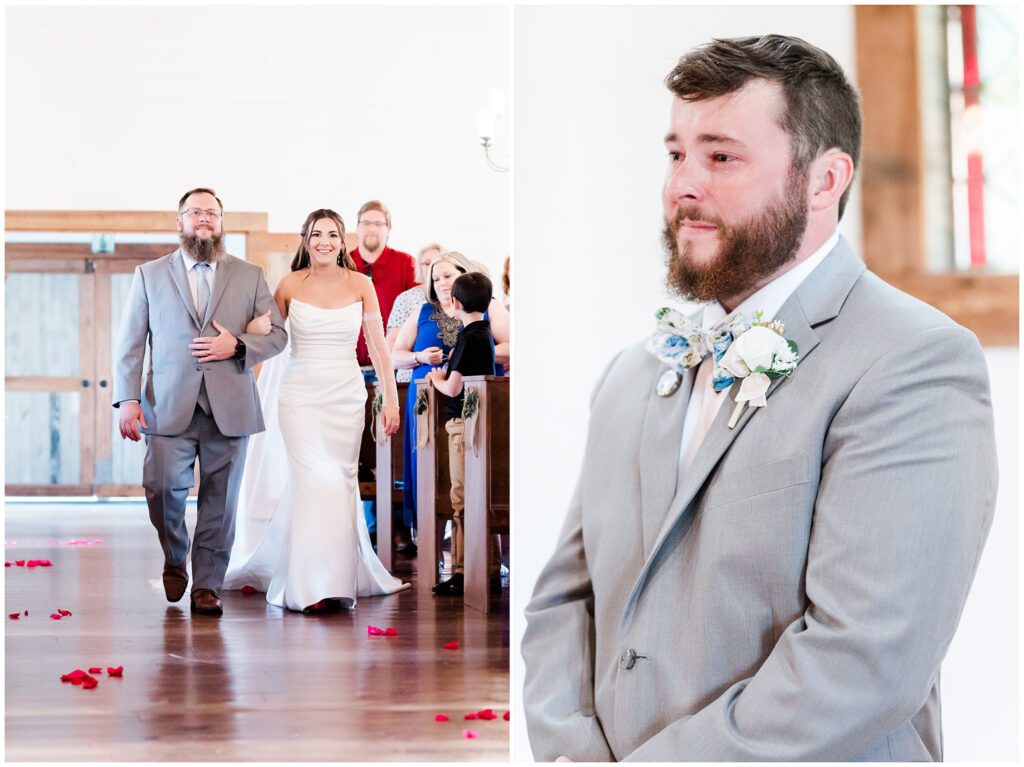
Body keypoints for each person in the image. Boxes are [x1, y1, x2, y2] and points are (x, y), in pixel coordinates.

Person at [521, 35, 997, 762]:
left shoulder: (912, 362)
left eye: (721, 156)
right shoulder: (631, 373)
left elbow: (864, 660)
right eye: (676, 153)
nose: (683, 184)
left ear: (823, 179)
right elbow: (563, 603)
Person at [113, 187, 288, 617]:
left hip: (230, 405)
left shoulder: (250, 275)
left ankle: (207, 585)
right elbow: (131, 344)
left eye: (212, 212)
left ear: (222, 222)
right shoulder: (149, 274)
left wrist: (238, 344)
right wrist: (128, 400)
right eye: (195, 212)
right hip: (167, 406)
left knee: (221, 501)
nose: (203, 219)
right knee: (160, 490)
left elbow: (278, 335)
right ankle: (175, 557)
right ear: (180, 222)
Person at [222, 208, 408, 613]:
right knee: (312, 482)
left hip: (345, 396)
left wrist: (390, 399)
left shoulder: (361, 283)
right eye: (316, 234)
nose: (324, 241)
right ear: (305, 241)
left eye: (333, 235)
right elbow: (268, 337)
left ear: (344, 242)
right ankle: (308, 587)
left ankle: (338, 581)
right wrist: (239, 333)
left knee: (339, 483)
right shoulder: (289, 284)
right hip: (300, 396)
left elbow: (378, 346)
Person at [391, 252, 510, 551]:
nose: (441, 283)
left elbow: (513, 345)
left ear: (464, 274)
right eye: (435, 278)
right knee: (432, 476)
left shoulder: (487, 306)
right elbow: (395, 355)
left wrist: (464, 355)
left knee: (470, 479)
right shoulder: (421, 311)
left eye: (448, 275)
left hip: (471, 400)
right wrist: (419, 357)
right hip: (428, 405)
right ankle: (434, 549)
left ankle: (475, 554)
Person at [424, 272, 497, 596]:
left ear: (455, 302)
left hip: (462, 426)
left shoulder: (469, 337)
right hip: (478, 423)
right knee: (474, 499)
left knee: (462, 498)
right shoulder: (486, 333)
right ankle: (485, 568)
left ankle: (464, 570)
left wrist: (434, 379)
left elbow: (453, 387)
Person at [349, 200, 417, 375]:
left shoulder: (406, 264)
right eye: (366, 223)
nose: (372, 228)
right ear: (357, 228)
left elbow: (419, 311)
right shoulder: (342, 265)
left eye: (379, 223)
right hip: (348, 368)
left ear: (389, 229)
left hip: (392, 368)